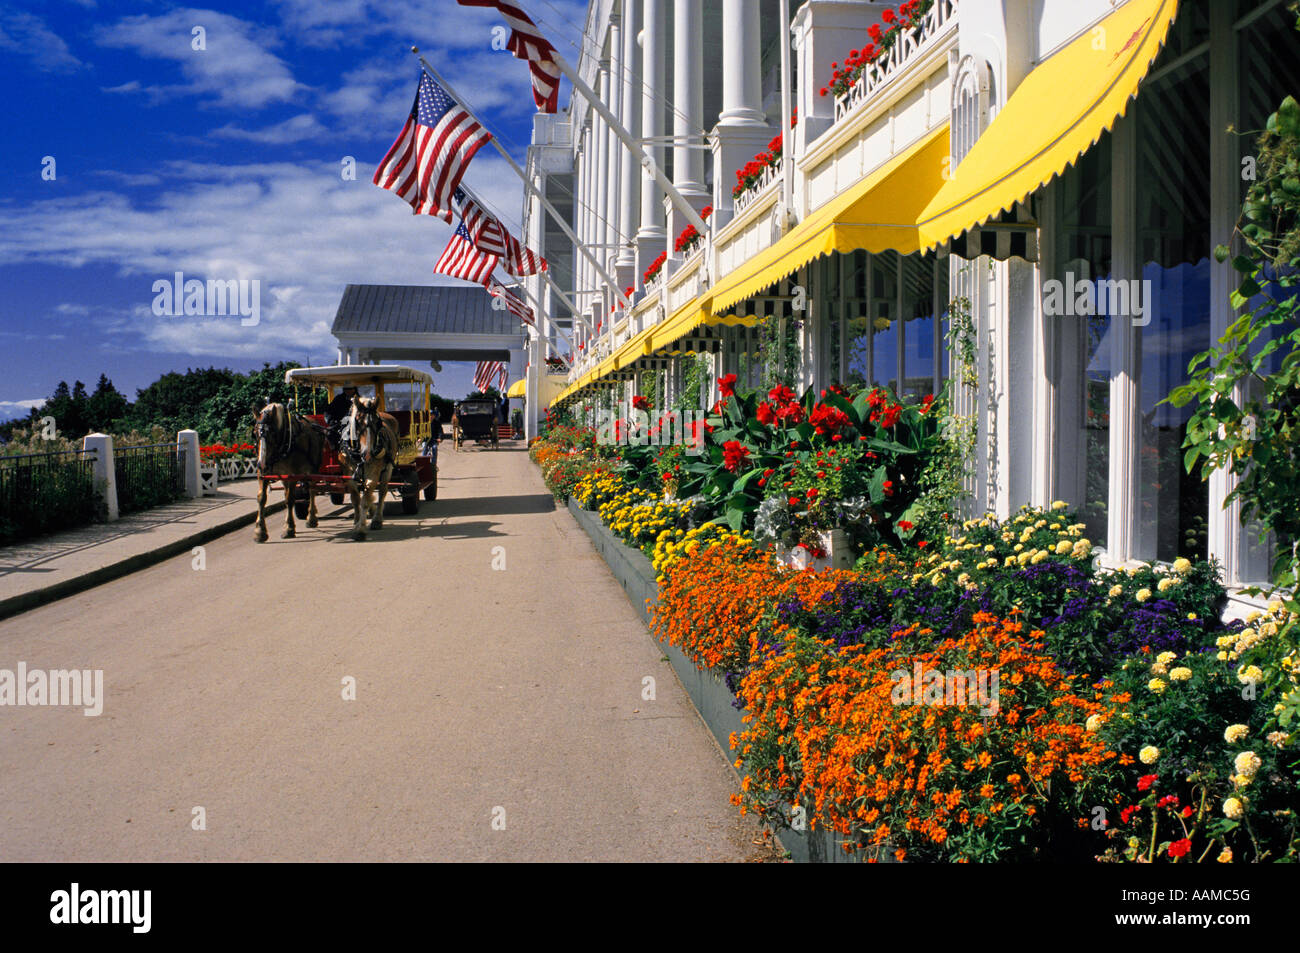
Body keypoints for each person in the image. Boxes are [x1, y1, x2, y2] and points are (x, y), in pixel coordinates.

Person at [324, 385, 358, 450]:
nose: (348, 391)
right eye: (346, 389)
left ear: (354, 389)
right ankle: (336, 450)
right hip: (339, 423)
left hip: (356, 423)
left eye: (351, 389)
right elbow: (328, 411)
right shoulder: (338, 399)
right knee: (329, 433)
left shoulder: (358, 399)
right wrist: (331, 421)